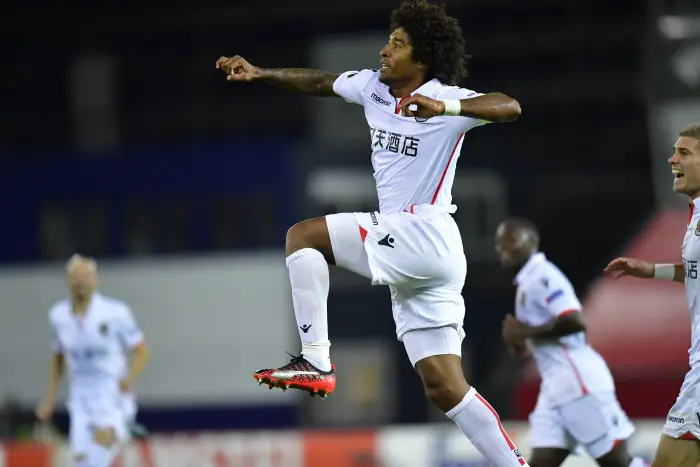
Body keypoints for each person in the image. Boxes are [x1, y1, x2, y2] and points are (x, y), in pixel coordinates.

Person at [216, 1, 527, 465]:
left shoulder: (445, 98)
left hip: (421, 231)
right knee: (446, 388)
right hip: (424, 258)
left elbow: (510, 107)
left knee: (303, 236)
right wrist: (261, 73)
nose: (384, 51)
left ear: (422, 60)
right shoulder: (373, 87)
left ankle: (316, 360)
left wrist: (445, 105)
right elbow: (320, 82)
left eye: (398, 45)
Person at [495, 218, 648, 467]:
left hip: (577, 381)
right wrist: (517, 339)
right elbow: (529, 343)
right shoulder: (525, 283)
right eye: (499, 243)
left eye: (511, 239)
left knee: (616, 462)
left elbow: (575, 321)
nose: (503, 247)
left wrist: (526, 331)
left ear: (533, 242)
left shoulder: (543, 276)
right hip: (554, 387)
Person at [604, 123, 700, 467]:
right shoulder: (695, 215)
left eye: (685, 153)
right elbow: (695, 274)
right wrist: (648, 270)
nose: (672, 159)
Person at [36, 254, 150, 467]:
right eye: (76, 276)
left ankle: (123, 423)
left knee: (101, 445)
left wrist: (129, 378)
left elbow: (143, 352)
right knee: (84, 462)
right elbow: (58, 357)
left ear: (96, 280)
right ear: (67, 281)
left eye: (86, 276)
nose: (80, 281)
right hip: (80, 397)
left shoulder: (116, 312)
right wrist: (49, 399)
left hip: (111, 392)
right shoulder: (58, 316)